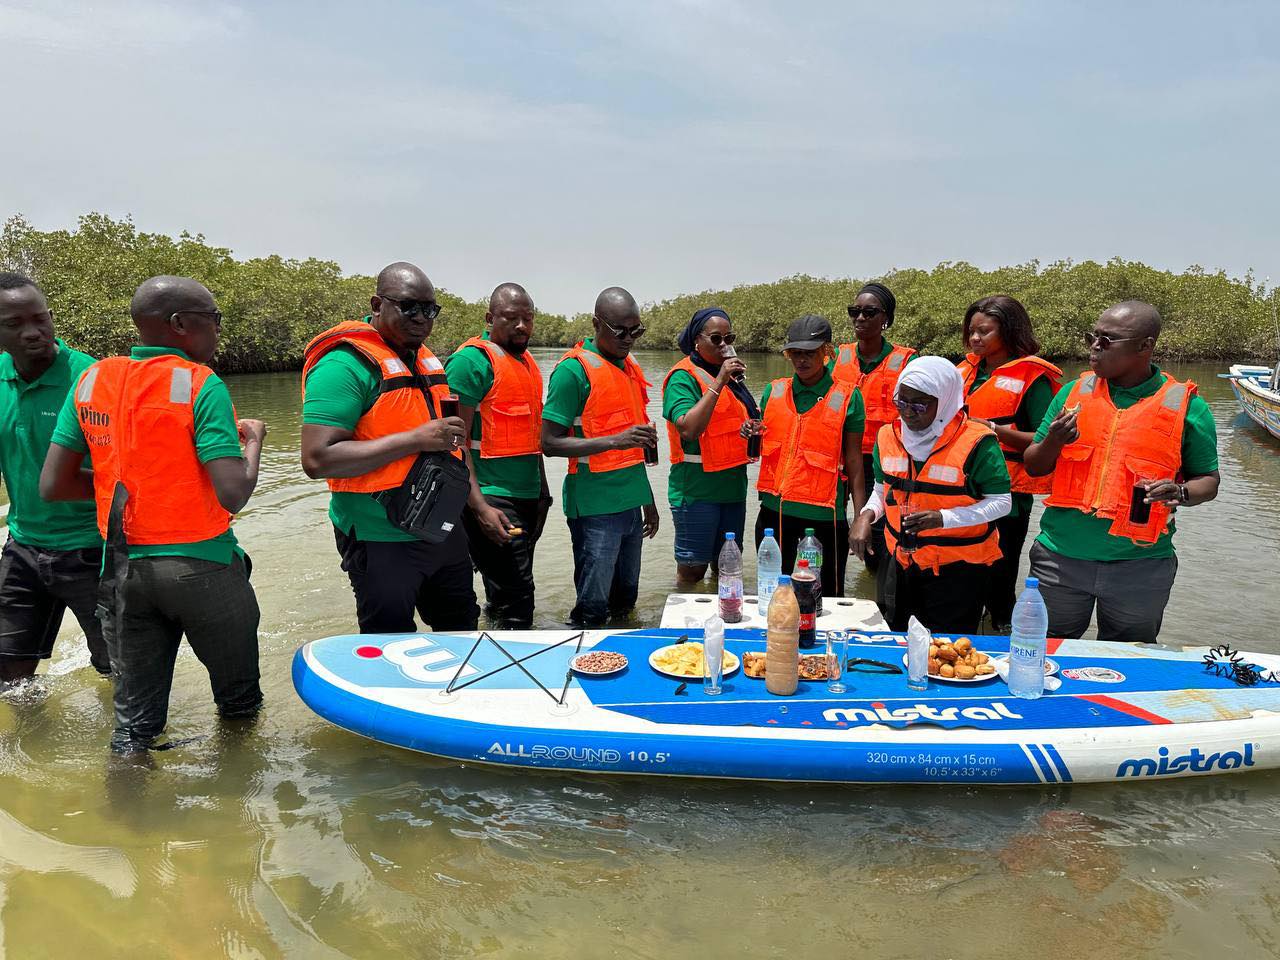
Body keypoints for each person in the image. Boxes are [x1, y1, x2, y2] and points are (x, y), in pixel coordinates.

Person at [40, 276, 265, 752]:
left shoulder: (91, 379)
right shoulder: (199, 383)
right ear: (180, 323)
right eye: (214, 319)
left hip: (122, 572)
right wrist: (255, 442)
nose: (218, 330)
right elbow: (234, 494)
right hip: (202, 568)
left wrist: (128, 490)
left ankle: (126, 795)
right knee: (240, 706)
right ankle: (238, 792)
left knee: (133, 729)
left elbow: (53, 485)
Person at [1022, 301, 1219, 643]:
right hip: (1060, 558)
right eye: (1092, 337)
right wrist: (1053, 440)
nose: (1095, 348)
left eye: (1107, 340)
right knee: (1044, 650)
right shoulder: (1072, 394)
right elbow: (1034, 464)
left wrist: (1181, 492)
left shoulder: (1186, 406)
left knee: (1129, 657)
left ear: (1145, 346)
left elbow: (1209, 481)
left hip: (1140, 565)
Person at [300, 262, 479, 634]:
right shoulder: (342, 366)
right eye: (409, 307)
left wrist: (476, 504)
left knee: (461, 630)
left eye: (429, 309)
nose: (421, 318)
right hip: (379, 535)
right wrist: (416, 439)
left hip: (441, 527)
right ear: (377, 304)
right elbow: (317, 459)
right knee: (388, 643)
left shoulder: (423, 359)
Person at [0, 273, 109, 685]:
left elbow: (125, 470)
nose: (33, 332)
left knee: (118, 671)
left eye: (40, 318)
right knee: (10, 678)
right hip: (22, 546)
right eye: (14, 324)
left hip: (93, 548)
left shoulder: (92, 378)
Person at [851, 356, 1012, 633]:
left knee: (947, 648)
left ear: (945, 401)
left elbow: (1002, 502)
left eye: (920, 405)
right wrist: (866, 516)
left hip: (958, 571)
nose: (908, 412)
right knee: (896, 638)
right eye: (902, 402)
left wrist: (943, 518)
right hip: (901, 562)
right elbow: (881, 489)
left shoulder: (978, 443)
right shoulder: (888, 435)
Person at [541, 287, 659, 628]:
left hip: (631, 504)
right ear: (596, 324)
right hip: (595, 508)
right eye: (620, 330)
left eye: (636, 330)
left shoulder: (630, 367)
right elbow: (549, 442)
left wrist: (648, 502)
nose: (629, 338)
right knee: (591, 610)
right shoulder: (572, 371)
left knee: (626, 603)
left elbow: (636, 445)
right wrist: (614, 441)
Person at [445, 282, 550, 628]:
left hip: (527, 497)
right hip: (491, 497)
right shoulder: (470, 363)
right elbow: (454, 444)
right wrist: (480, 508)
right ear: (490, 318)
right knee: (519, 600)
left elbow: (531, 436)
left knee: (506, 594)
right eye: (510, 318)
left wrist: (543, 496)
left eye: (528, 318)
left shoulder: (527, 363)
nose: (521, 326)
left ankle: (494, 637)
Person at [956, 295, 1062, 632]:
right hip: (959, 489)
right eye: (971, 331)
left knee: (999, 576)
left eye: (984, 331)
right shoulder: (964, 371)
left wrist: (994, 429)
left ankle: (1003, 632)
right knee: (962, 571)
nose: (975, 338)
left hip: (1008, 494)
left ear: (1010, 331)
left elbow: (1045, 439)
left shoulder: (1033, 377)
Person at [754, 314, 865, 598]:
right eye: (795, 353)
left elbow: (855, 462)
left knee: (826, 600)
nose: (801, 360)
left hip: (824, 519)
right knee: (773, 597)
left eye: (810, 353)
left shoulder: (848, 397)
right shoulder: (773, 391)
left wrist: (860, 517)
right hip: (774, 516)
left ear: (826, 352)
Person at [661, 306, 757, 585]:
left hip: (733, 489)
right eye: (716, 339)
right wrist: (720, 380)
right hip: (696, 491)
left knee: (727, 566)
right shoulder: (683, 377)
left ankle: (726, 611)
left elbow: (730, 425)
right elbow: (689, 429)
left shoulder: (736, 382)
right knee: (692, 571)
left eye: (729, 338)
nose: (724, 345)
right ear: (696, 340)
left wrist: (749, 428)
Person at [831, 282, 916, 574]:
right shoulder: (838, 357)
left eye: (869, 312)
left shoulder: (907, 361)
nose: (860, 318)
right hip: (839, 457)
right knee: (831, 528)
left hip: (883, 460)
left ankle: (875, 586)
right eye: (854, 311)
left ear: (885, 319)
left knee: (877, 537)